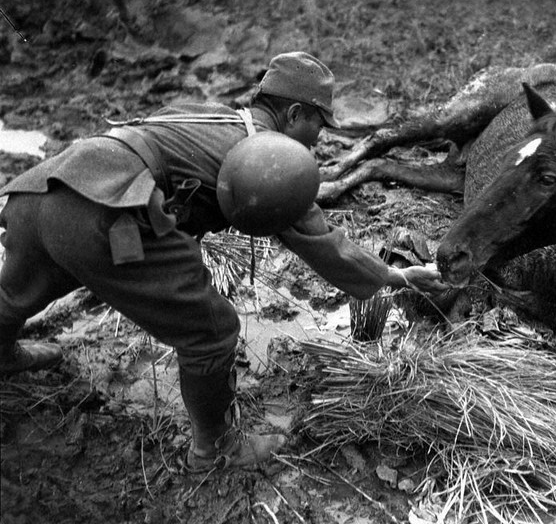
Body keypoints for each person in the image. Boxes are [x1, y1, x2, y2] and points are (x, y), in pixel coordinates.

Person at [0, 51, 447, 471]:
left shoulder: (210, 114)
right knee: (211, 331)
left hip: (42, 189)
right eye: (319, 124)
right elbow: (324, 245)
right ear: (295, 114)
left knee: (15, 292)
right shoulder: (271, 158)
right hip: (106, 211)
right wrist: (396, 276)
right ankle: (214, 449)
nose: (319, 138)